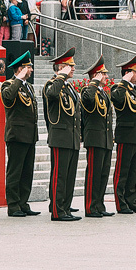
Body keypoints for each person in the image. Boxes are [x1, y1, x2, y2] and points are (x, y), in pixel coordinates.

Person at [43, 47, 82, 221]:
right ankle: (58, 211)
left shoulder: (69, 87)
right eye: (69, 66)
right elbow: (51, 94)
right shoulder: (52, 84)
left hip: (71, 137)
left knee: (69, 175)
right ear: (61, 67)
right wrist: (61, 76)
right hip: (60, 137)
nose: (73, 69)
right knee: (59, 175)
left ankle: (65, 206)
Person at [1, 51, 40, 218]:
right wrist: (18, 79)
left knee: (27, 171)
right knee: (15, 171)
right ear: (20, 69)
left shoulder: (28, 87)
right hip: (16, 135)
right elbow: (8, 98)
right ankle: (13, 205)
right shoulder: (8, 84)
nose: (30, 70)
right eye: (28, 67)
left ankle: (23, 202)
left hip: (30, 135)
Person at [112, 54, 136, 215]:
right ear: (128, 73)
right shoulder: (119, 89)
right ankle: (121, 203)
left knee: (134, 171)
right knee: (122, 171)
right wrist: (124, 81)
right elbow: (116, 98)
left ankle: (132, 200)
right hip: (126, 137)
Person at [81, 56, 114, 218]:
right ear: (96, 75)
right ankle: (90, 206)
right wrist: (94, 81)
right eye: (103, 74)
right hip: (95, 138)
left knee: (102, 174)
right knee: (93, 174)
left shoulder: (102, 93)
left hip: (105, 139)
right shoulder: (89, 90)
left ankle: (99, 204)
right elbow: (87, 99)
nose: (106, 77)